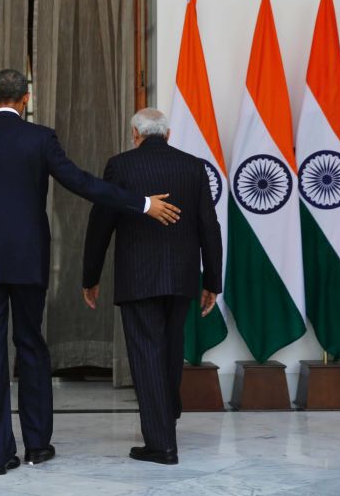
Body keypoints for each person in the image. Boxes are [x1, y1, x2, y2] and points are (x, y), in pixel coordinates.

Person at [0, 70, 181, 475]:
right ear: (26, 98)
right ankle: (37, 446)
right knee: (31, 345)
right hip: (28, 262)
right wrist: (142, 204)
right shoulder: (40, 138)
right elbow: (82, 183)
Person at [81, 108, 222, 465]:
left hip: (139, 278)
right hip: (182, 278)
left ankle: (161, 444)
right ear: (168, 134)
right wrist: (213, 281)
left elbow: (101, 223)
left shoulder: (120, 166)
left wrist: (90, 276)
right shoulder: (194, 166)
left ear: (135, 133)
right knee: (171, 352)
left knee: (146, 356)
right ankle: (166, 419)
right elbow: (210, 226)